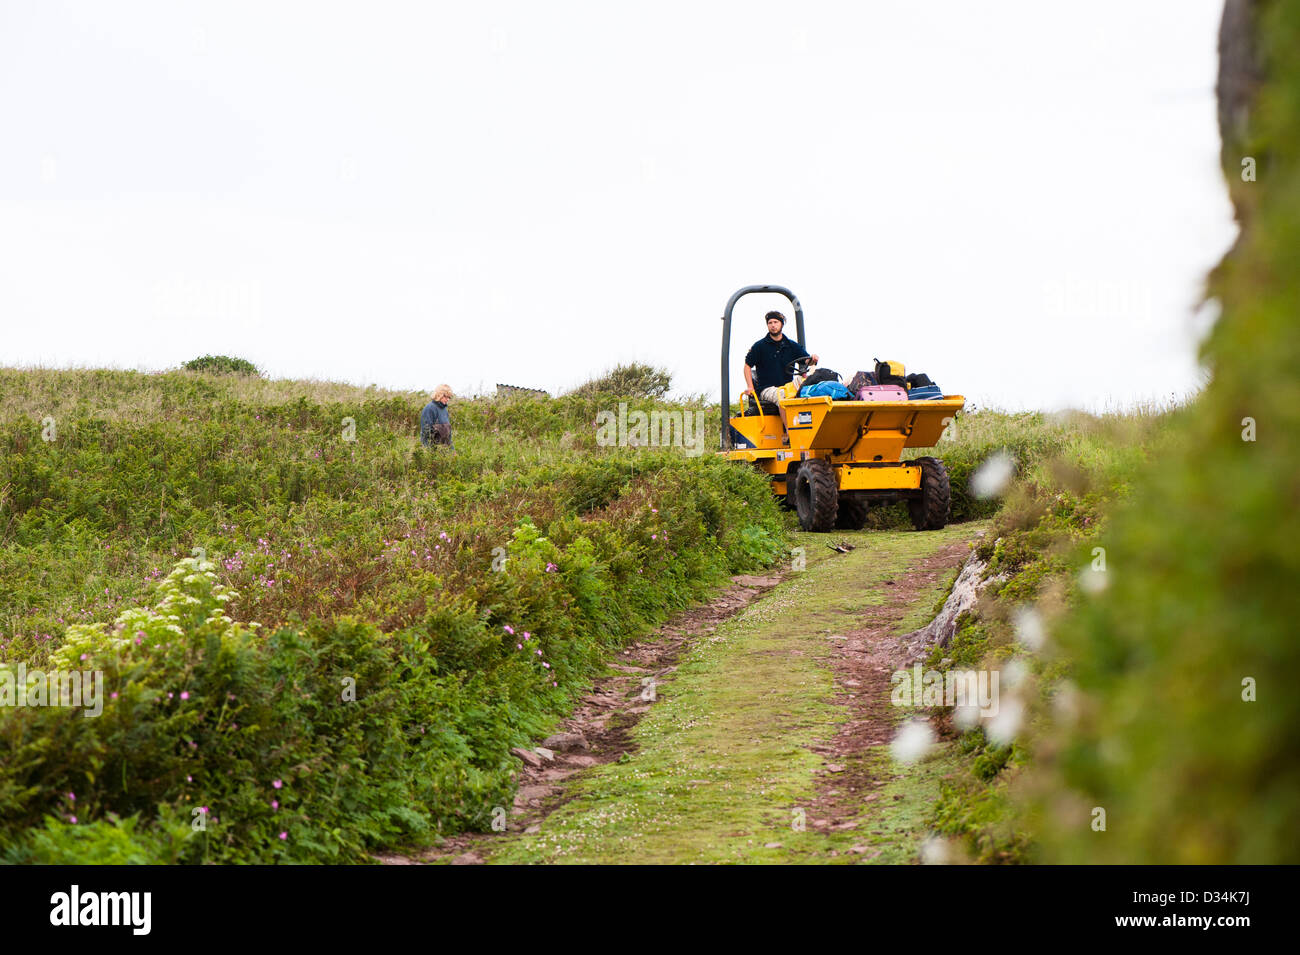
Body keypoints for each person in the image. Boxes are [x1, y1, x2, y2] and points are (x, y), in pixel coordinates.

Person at [743, 311, 819, 406]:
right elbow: (747, 366)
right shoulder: (759, 346)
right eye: (770, 323)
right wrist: (750, 387)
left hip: (788, 386)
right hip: (766, 389)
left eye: (776, 322)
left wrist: (813, 359)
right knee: (783, 396)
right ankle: (787, 421)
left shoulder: (791, 345)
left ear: (781, 324)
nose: (773, 325)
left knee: (812, 388)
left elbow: (807, 360)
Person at [419, 384, 455, 448]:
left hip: (444, 450)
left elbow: (448, 435)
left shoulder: (444, 410)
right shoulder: (429, 408)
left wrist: (451, 449)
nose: (447, 399)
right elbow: (426, 432)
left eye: (449, 397)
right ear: (439, 395)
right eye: (446, 397)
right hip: (431, 450)